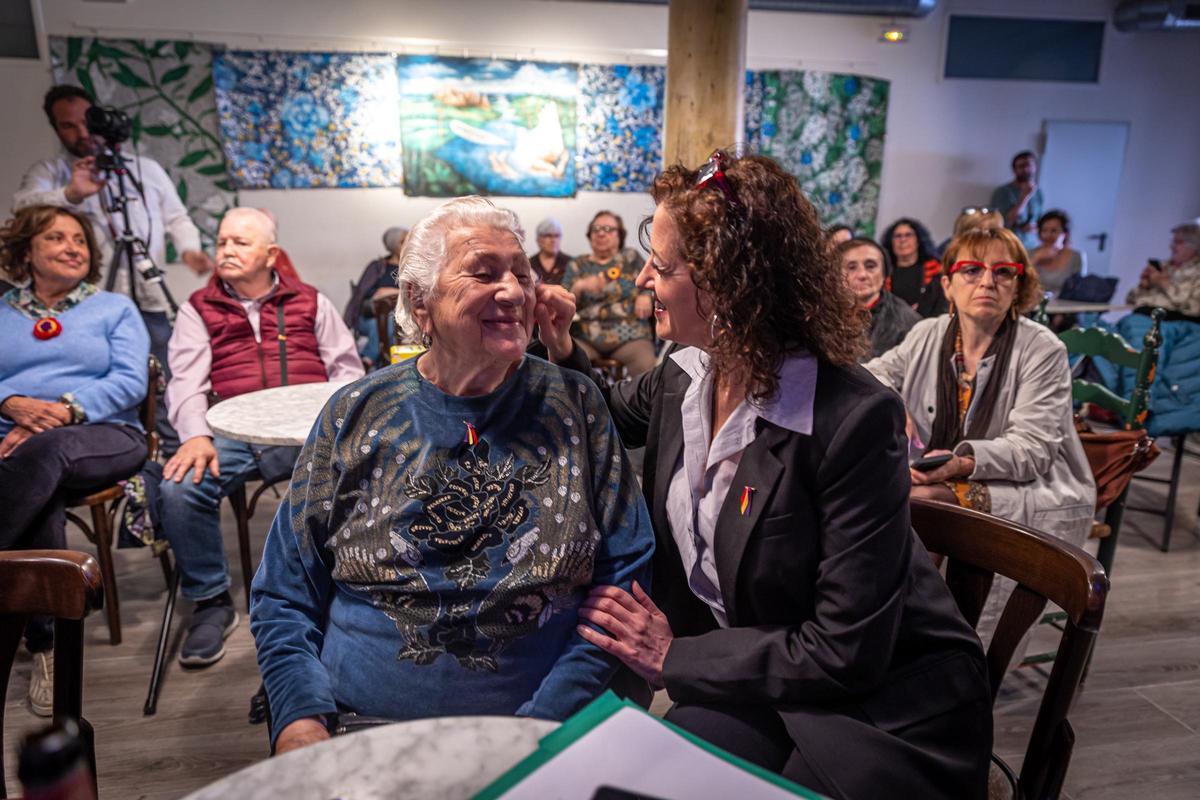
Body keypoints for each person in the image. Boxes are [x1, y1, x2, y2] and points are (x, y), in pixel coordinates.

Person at [541, 152, 992, 798]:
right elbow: (605, 419)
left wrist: (675, 656)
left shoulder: (850, 418)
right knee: (648, 776)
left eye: (662, 267)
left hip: (881, 706)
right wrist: (560, 348)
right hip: (766, 679)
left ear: (727, 286)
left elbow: (847, 652)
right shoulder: (686, 372)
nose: (643, 279)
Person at [250, 196, 655, 756]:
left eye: (521, 273)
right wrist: (300, 719)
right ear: (420, 301)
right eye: (483, 274)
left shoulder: (575, 404)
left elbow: (623, 580)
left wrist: (538, 731)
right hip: (359, 728)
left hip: (544, 730)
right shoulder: (356, 414)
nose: (513, 291)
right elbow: (284, 592)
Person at [865, 226, 1095, 645]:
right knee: (870, 492)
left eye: (1003, 271)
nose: (987, 281)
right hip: (942, 471)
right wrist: (892, 401)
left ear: (1019, 286)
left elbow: (1035, 450)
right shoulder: (928, 333)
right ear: (948, 284)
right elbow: (872, 374)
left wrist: (960, 462)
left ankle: (915, 633)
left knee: (915, 504)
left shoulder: (1042, 348)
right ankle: (900, 626)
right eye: (971, 270)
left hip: (1025, 482)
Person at [159, 207, 363, 668]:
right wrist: (194, 436)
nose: (226, 251)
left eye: (240, 242)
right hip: (236, 433)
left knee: (363, 475)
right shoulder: (198, 308)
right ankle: (211, 601)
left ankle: (345, 589)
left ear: (271, 254)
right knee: (178, 489)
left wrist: (342, 429)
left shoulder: (311, 301)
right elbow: (185, 383)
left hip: (309, 434)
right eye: (222, 242)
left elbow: (347, 371)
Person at [0, 205, 149, 716]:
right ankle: (45, 645)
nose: (72, 247)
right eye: (56, 238)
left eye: (79, 240)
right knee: (43, 495)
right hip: (14, 442)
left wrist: (60, 411)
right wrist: (10, 405)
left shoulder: (113, 308)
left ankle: (41, 641)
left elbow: (132, 380)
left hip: (106, 433)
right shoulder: (2, 311)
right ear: (26, 252)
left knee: (45, 452)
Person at [14, 85, 215, 452]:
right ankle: (121, 451)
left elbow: (177, 217)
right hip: (90, 306)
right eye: (67, 126)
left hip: (149, 297)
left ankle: (174, 460)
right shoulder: (53, 171)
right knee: (114, 385)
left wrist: (189, 251)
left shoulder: (144, 170)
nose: (81, 133)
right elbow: (22, 206)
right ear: (56, 130)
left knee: (166, 381)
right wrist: (70, 195)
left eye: (85, 122)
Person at [561, 211, 656, 376]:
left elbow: (652, 281)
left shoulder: (630, 258)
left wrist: (645, 295)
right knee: (567, 366)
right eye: (596, 229)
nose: (601, 233)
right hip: (585, 337)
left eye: (608, 229)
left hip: (630, 335)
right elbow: (561, 302)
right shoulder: (577, 265)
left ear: (620, 235)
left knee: (646, 366)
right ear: (589, 235)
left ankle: (634, 402)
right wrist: (580, 286)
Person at [839, 237, 920, 359]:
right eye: (851, 267)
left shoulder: (907, 322)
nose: (862, 275)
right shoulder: (823, 315)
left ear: (884, 273)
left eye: (870, 266)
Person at [343, 226, 409, 367]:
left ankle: (367, 360)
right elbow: (363, 295)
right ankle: (376, 362)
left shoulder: (412, 267)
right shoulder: (377, 267)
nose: (409, 243)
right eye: (403, 241)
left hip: (401, 318)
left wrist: (394, 292)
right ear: (393, 245)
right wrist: (380, 293)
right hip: (369, 317)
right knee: (385, 322)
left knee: (390, 321)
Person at [1125, 222, 1200, 318]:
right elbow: (1130, 300)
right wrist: (1144, 287)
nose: (1172, 246)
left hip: (1177, 323)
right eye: (1173, 241)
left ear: (1194, 246)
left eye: (1178, 242)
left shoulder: (1197, 272)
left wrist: (1163, 284)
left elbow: (1193, 309)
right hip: (1143, 316)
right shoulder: (1165, 267)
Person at [881, 217, 946, 317]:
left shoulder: (935, 271)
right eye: (898, 236)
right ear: (891, 242)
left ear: (918, 240)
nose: (903, 240)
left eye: (908, 235)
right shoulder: (882, 273)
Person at [989, 150, 1044, 250]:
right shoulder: (1003, 192)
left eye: (1029, 165)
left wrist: (1035, 227)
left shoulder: (1038, 193)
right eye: (1022, 166)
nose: (1026, 169)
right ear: (1014, 170)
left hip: (1031, 246)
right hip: (1007, 244)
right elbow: (1000, 222)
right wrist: (1024, 197)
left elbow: (1040, 220)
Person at [1029, 209, 1086, 296]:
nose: (1048, 235)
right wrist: (1036, 258)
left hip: (1064, 307)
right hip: (1033, 305)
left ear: (1065, 234)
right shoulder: (1029, 253)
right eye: (1044, 231)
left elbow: (1078, 290)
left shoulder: (1076, 257)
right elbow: (1017, 281)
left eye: (1054, 231)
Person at [529, 217, 569, 284]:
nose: (553, 240)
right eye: (548, 236)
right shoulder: (528, 265)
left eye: (557, 236)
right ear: (538, 239)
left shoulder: (571, 264)